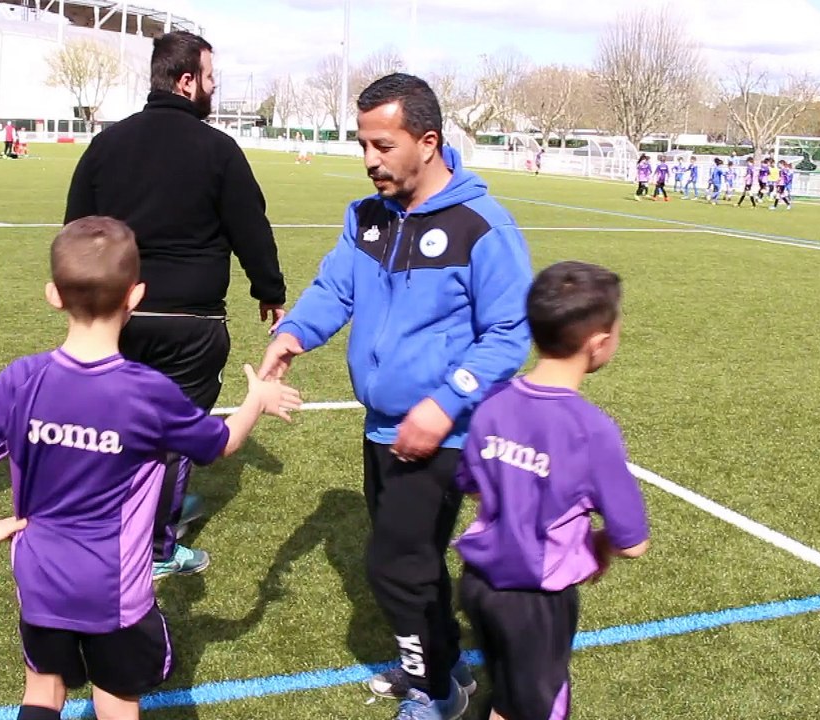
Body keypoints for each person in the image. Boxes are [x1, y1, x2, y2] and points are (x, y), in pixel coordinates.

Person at [0, 216, 301, 720]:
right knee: (116, 699)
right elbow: (221, 444)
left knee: (42, 691)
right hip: (113, 592)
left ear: (53, 295)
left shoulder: (21, 379)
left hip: (38, 577)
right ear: (136, 296)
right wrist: (256, 399)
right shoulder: (147, 393)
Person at [259, 73, 533, 720]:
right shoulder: (368, 218)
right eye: (363, 145)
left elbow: (511, 330)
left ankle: (434, 691)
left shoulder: (481, 226)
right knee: (415, 564)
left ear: (428, 141)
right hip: (382, 426)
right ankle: (447, 668)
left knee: (393, 565)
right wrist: (293, 333)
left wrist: (444, 402)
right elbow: (336, 288)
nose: (369, 160)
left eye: (383, 145)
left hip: (447, 432)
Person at [64, 30, 286, 580]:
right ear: (186, 81)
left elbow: (76, 228)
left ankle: (117, 516)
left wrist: (82, 304)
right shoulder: (217, 150)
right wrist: (269, 289)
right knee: (172, 435)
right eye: (210, 78)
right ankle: (156, 545)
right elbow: (250, 227)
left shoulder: (107, 144)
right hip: (191, 321)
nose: (213, 88)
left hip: (117, 316)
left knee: (115, 423)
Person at [454, 260, 650, 720]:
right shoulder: (590, 429)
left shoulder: (494, 400)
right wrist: (596, 542)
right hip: (536, 601)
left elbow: (468, 482)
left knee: (507, 695)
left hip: (478, 585)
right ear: (599, 343)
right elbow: (634, 541)